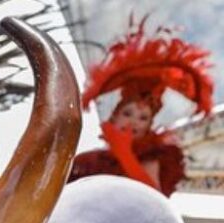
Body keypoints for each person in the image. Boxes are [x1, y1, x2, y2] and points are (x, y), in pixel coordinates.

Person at [68, 20, 213, 197]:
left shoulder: (152, 156)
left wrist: (125, 154)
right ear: (114, 117)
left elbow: (152, 199)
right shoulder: (89, 162)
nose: (133, 122)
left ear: (149, 126)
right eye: (127, 113)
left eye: (143, 118)